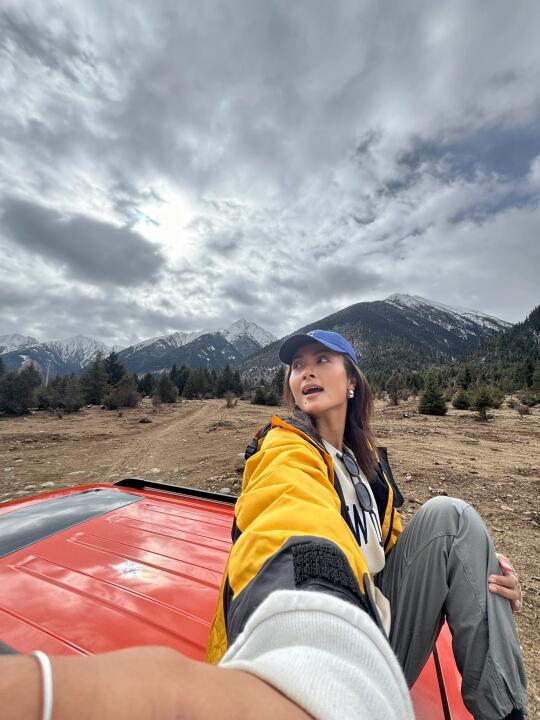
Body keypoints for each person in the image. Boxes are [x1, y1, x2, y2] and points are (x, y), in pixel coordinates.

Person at [207, 329, 528, 720]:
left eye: (321, 360)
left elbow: (393, 549)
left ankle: (505, 715)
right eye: (297, 366)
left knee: (452, 518)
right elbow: (287, 512)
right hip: (327, 645)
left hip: (377, 625)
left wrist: (475, 572)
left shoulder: (363, 461)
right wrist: (301, 602)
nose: (306, 372)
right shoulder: (285, 447)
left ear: (353, 381)